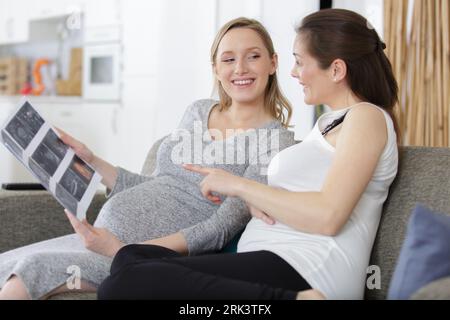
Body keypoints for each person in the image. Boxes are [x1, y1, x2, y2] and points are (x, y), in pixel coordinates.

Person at [97, 8, 400, 300]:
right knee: (130, 257)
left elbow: (329, 216)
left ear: (335, 69)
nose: (293, 73)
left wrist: (240, 186)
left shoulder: (366, 117)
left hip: (307, 267)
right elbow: (307, 197)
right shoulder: (327, 124)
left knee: (121, 285)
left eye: (299, 62)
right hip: (269, 258)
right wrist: (262, 201)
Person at [0, 17, 295, 300]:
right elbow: (156, 184)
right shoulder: (198, 110)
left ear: (273, 63)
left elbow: (218, 230)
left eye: (253, 56)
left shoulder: (275, 140)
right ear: (216, 69)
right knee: (5, 265)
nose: (240, 68)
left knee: (28, 274)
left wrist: (124, 250)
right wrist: (91, 160)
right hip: (103, 242)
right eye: (229, 59)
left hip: (142, 260)